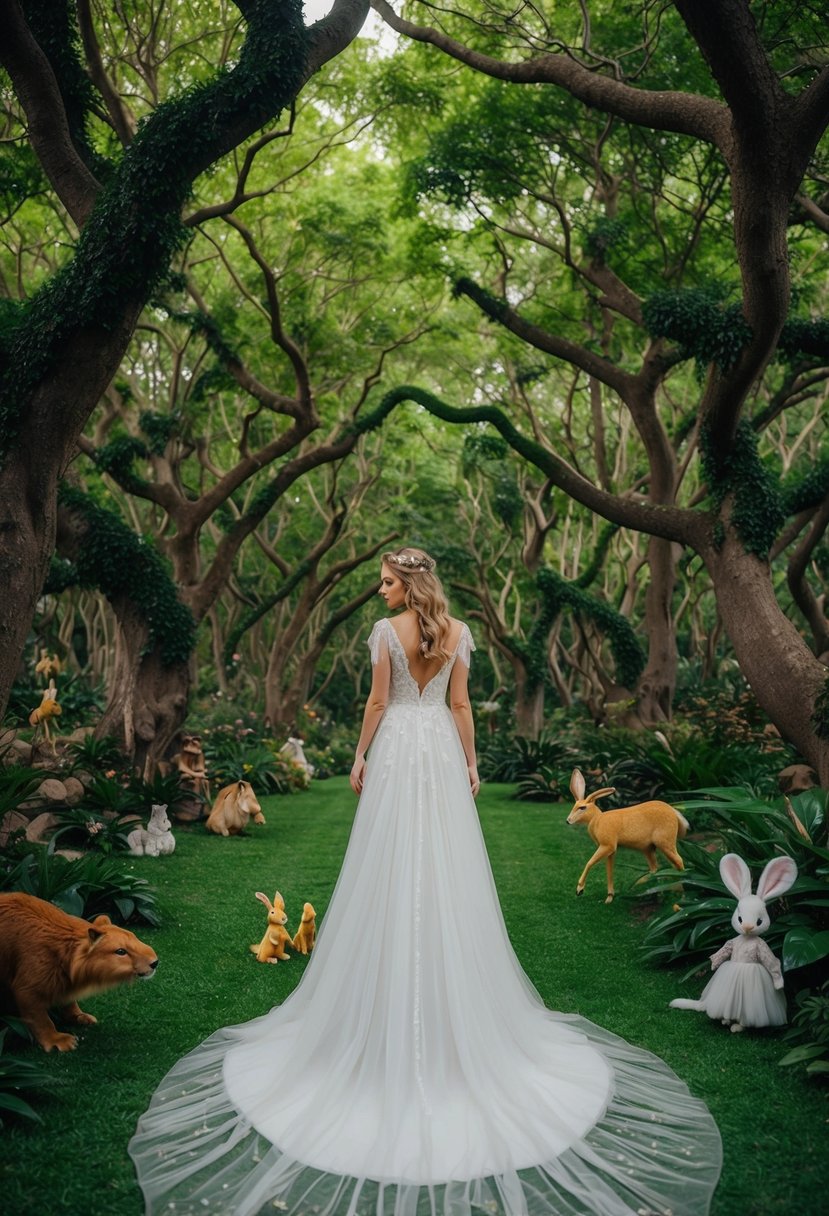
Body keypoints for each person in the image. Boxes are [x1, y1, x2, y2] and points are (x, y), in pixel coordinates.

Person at [130, 547, 721, 1216]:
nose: (378, 592)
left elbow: (380, 701)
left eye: (385, 582)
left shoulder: (385, 634)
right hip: (437, 747)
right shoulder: (460, 634)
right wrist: (469, 766)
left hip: (399, 751)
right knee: (441, 864)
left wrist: (357, 756)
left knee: (390, 863)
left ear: (409, 585)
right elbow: (462, 706)